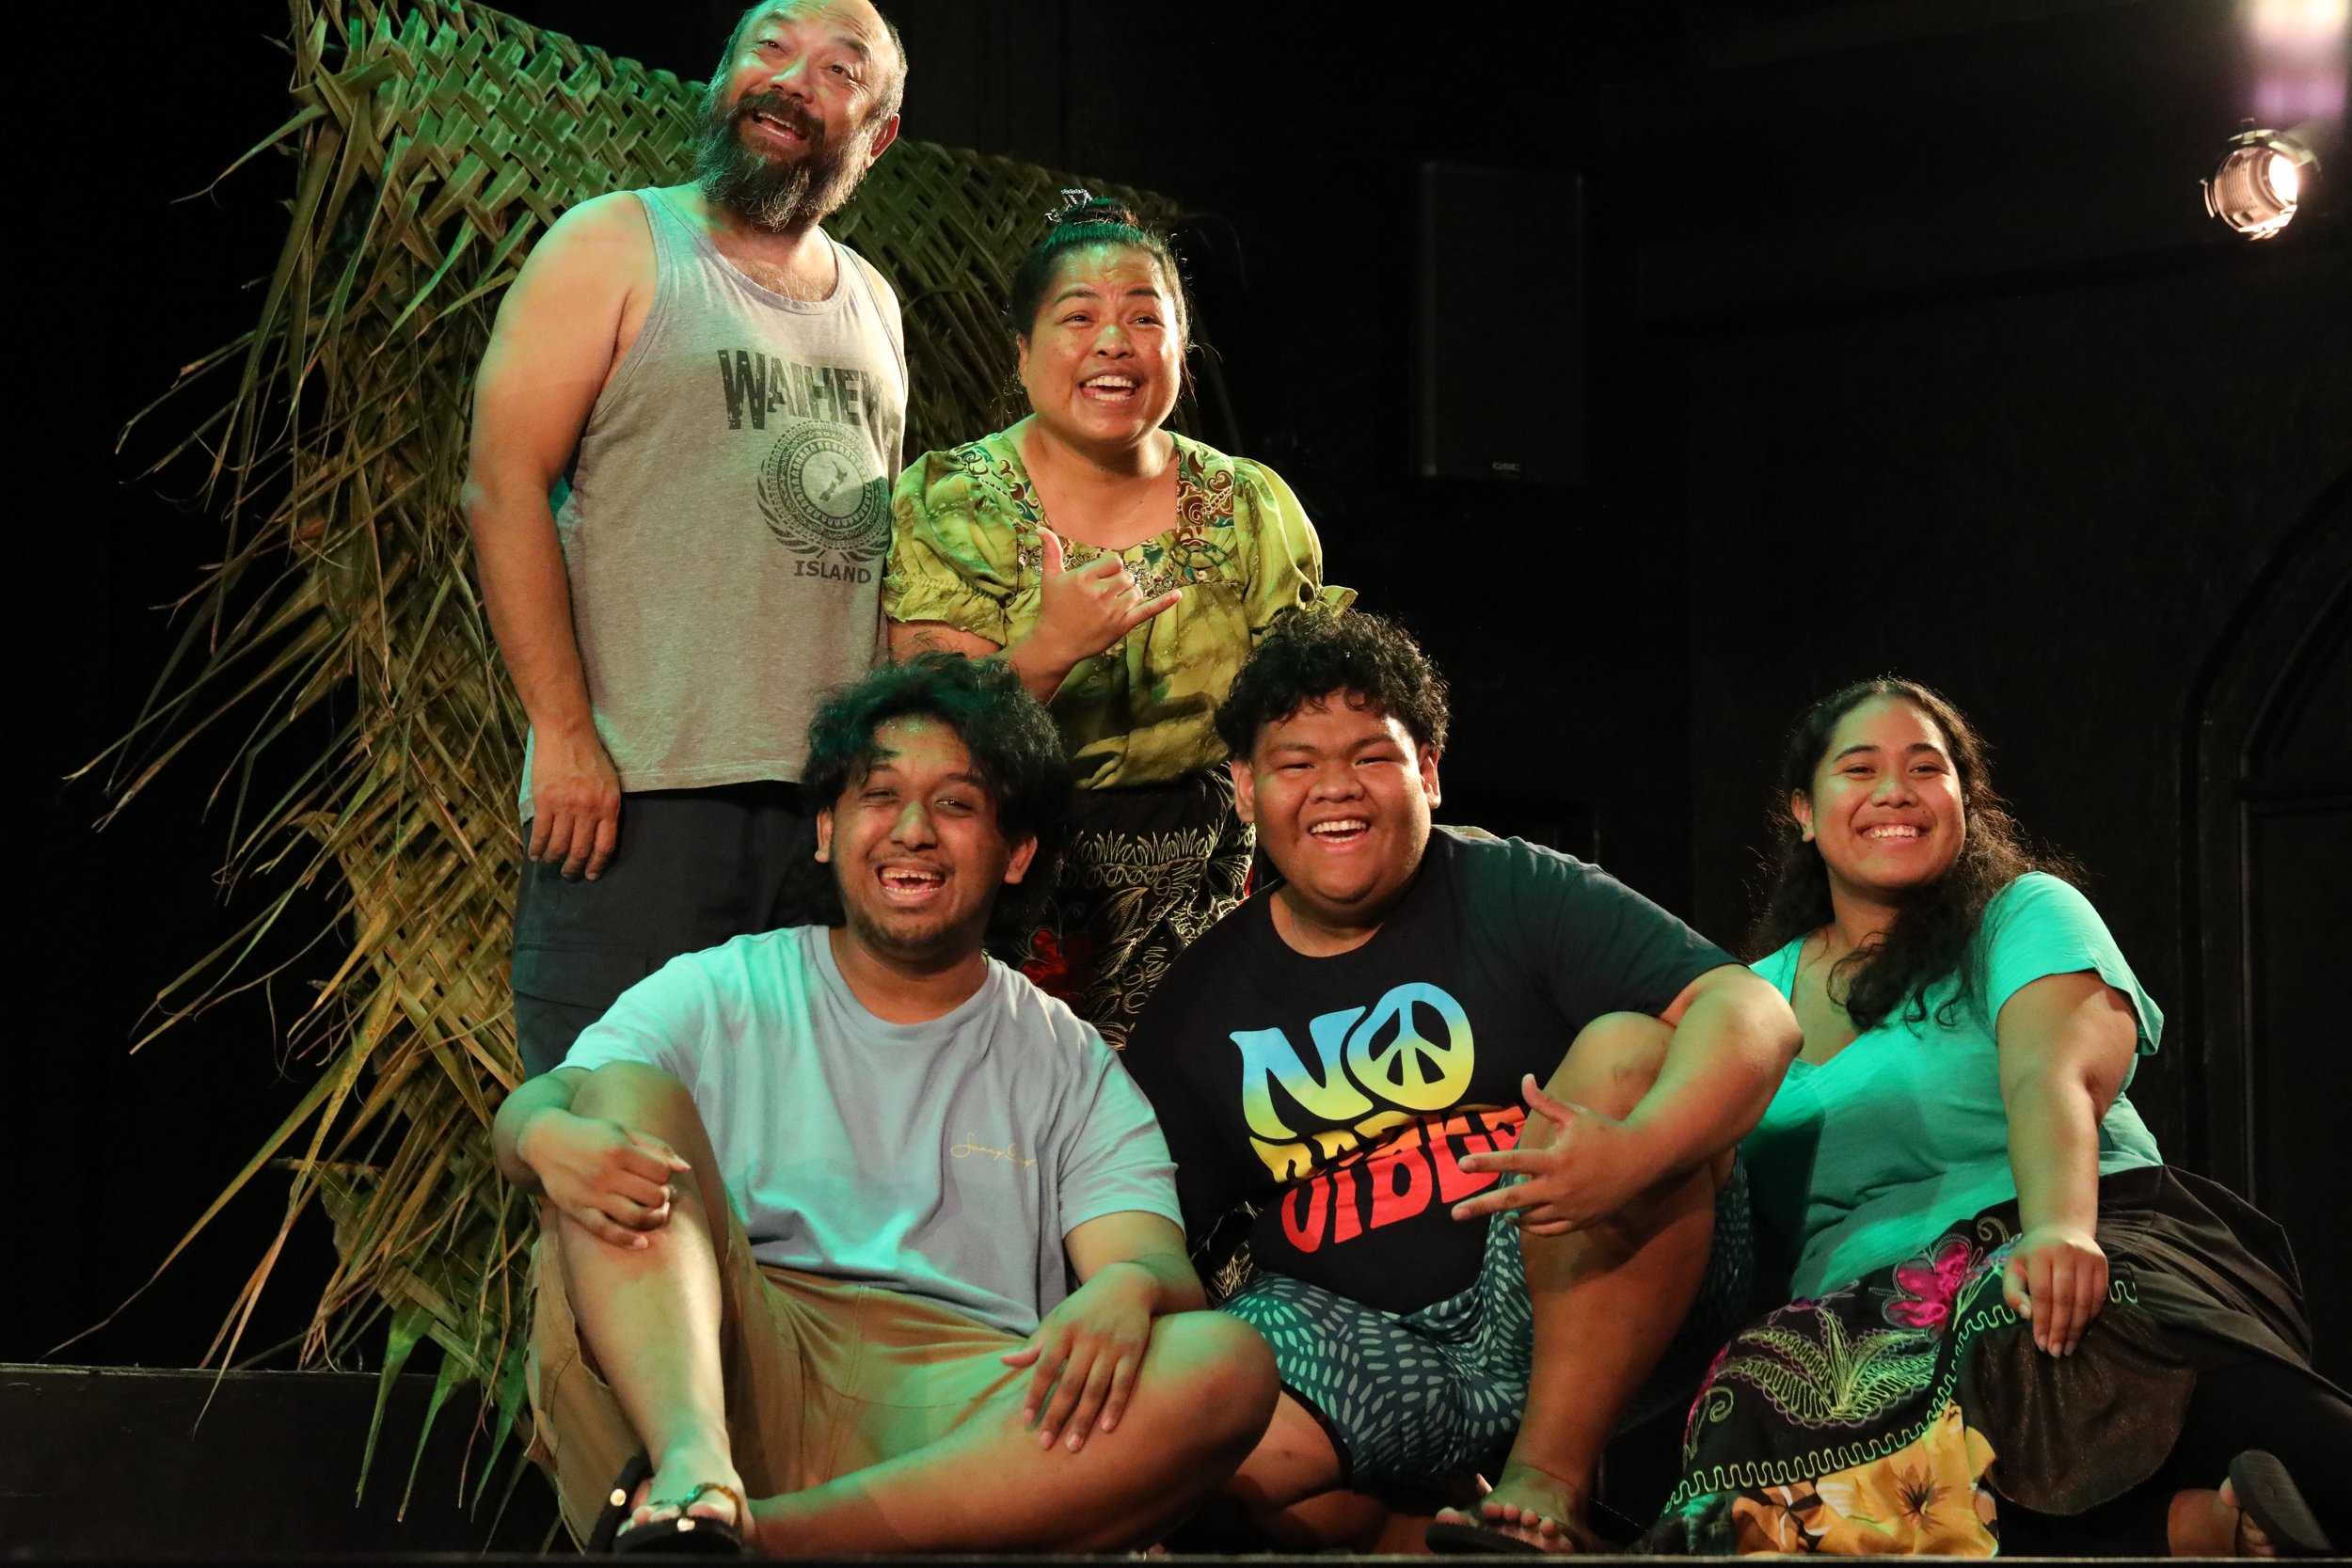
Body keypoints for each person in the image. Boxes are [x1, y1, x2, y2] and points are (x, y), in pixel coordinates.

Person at [492, 653, 1279, 1555]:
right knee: (615, 1099)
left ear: (1016, 851)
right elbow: (543, 1104)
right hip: (733, 1365)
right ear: (827, 830)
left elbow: (1147, 1259)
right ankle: (694, 1469)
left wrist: (1129, 1288)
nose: (913, 830)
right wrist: (544, 1133)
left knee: (1228, 1361)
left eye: (956, 803)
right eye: (879, 796)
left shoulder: (1068, 1060)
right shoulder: (727, 986)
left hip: (963, 1417)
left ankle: (752, 1541)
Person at [1115, 609, 1804, 1551]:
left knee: (1628, 1050)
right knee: (1192, 1421)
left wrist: (1633, 1151)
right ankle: (1442, 1529)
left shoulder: (1512, 886)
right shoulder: (1201, 997)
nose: (1333, 789)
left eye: (1370, 755)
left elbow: (1754, 1012)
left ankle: (1544, 1483)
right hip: (1359, 1344)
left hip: (1584, 1294)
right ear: (1244, 788)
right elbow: (1128, 1213)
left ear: (1428, 770)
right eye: (1295, 762)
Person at [1647, 678, 2346, 1557]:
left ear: (1965, 806)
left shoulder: (2020, 913)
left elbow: (2048, 1075)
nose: (1895, 789)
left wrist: (2060, 1227)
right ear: (1804, 810)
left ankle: (2216, 1512)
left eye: (1925, 767)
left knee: (2035, 1330)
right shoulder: (1748, 999)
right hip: (1859, 1326)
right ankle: (2189, 1530)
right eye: (1859, 768)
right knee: (1753, 1410)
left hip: (2072, 1233)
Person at [466, 0, 912, 1076]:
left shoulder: (874, 304)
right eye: (768, 48)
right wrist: (566, 735)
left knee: (793, 1179)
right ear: (720, 76)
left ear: (877, 132)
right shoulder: (616, 241)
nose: (791, 79)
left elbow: (881, 563)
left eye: (837, 68)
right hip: (638, 798)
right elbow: (501, 486)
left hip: (825, 813)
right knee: (606, 1162)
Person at [884, 196, 1350, 1047]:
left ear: (1182, 350)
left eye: (1146, 316)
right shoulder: (952, 500)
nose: (1114, 341)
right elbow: (923, 729)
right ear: (1022, 352)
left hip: (1212, 891)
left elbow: (1307, 708)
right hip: (1020, 890)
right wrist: (1047, 652)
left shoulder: (1250, 505)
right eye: (1080, 316)